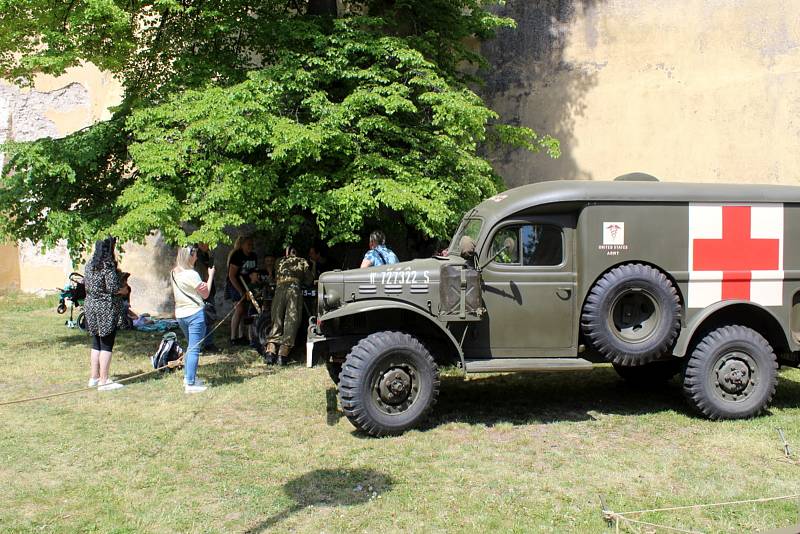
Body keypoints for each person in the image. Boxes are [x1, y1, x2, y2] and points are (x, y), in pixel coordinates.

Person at [84, 237, 128, 391]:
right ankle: (104, 381)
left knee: (96, 342)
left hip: (91, 306)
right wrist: (125, 290)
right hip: (105, 308)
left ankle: (94, 377)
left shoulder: (90, 264)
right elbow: (113, 288)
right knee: (107, 344)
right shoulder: (107, 265)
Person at [172, 245, 214, 393]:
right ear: (189, 256)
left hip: (181, 314)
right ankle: (190, 384)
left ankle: (189, 377)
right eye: (195, 254)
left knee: (190, 345)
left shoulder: (174, 273)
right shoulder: (192, 274)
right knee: (194, 348)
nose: (196, 257)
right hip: (195, 313)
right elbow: (206, 294)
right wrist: (210, 276)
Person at [264, 245, 313, 365]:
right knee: (291, 321)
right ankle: (282, 355)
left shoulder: (279, 261)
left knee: (276, 319)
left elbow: (276, 277)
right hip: (294, 291)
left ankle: (270, 353)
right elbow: (309, 280)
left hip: (279, 290)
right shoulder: (302, 261)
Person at [226, 235, 258, 345]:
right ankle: (233, 338)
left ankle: (242, 336)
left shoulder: (253, 256)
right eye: (248, 244)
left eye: (251, 244)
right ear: (242, 245)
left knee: (246, 310)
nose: (250, 246)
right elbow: (231, 275)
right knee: (239, 309)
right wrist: (240, 291)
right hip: (235, 284)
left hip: (247, 286)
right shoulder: (237, 255)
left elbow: (253, 272)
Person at [193, 242, 218, 351]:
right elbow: (202, 274)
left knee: (209, 316)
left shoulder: (207, 255)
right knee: (203, 317)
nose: (208, 244)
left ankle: (208, 342)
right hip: (202, 289)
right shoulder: (196, 257)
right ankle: (203, 343)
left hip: (209, 289)